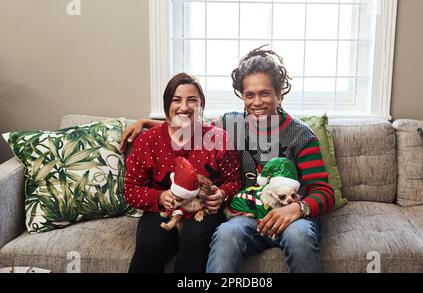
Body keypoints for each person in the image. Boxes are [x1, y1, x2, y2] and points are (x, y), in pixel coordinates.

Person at [121, 46, 335, 273]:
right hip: (247, 216)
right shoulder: (231, 125)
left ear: (279, 94)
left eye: (265, 93)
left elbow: (324, 192)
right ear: (242, 96)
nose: (257, 102)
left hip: (292, 217)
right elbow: (190, 127)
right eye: (249, 95)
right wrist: (147, 123)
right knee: (225, 234)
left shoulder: (301, 135)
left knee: (300, 238)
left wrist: (297, 209)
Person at [124, 72, 241, 273]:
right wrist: (160, 196)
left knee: (195, 236)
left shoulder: (219, 138)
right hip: (163, 210)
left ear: (201, 105)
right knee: (151, 241)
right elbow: (130, 190)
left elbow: (234, 181)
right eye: (177, 100)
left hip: (203, 211)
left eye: (192, 100)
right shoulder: (148, 141)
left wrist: (222, 194)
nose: (184, 107)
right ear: (167, 104)